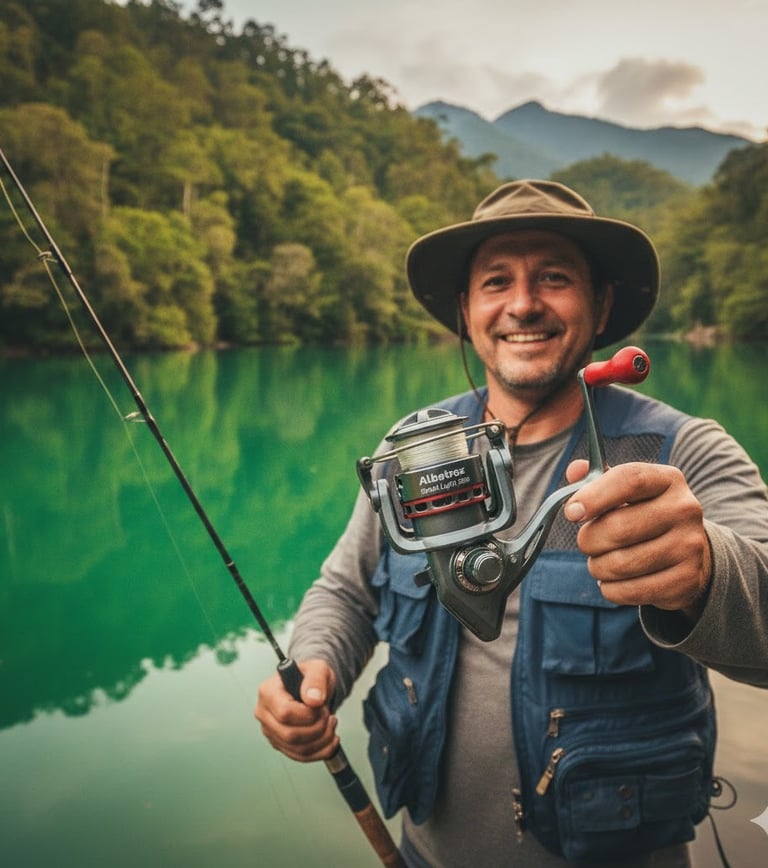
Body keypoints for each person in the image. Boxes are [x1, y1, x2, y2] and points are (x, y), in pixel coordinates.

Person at [255, 180, 768, 867]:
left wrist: (705, 571)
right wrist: (314, 669)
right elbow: (347, 592)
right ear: (466, 310)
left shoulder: (685, 450)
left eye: (553, 277)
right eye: (497, 281)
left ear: (601, 303)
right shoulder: (408, 455)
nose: (523, 303)